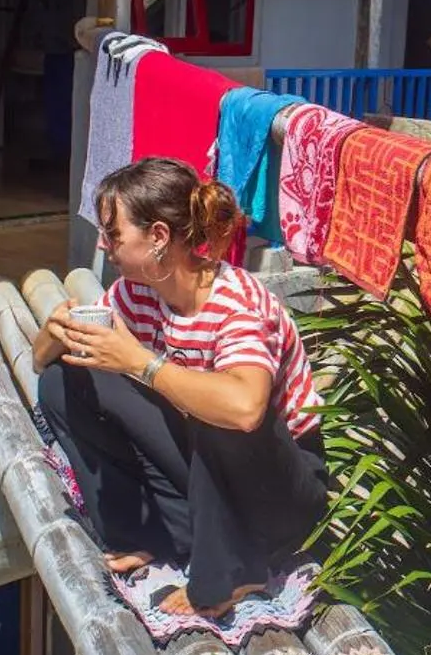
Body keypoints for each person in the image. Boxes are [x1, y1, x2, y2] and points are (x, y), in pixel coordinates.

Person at [33, 157, 330, 617]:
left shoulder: (237, 304)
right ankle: (149, 533)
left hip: (279, 491)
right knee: (61, 383)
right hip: (206, 470)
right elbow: (41, 366)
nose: (102, 244)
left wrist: (140, 362)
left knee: (218, 402)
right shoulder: (138, 291)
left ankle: (232, 573)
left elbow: (246, 409)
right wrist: (54, 333)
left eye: (113, 234)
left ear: (157, 238)